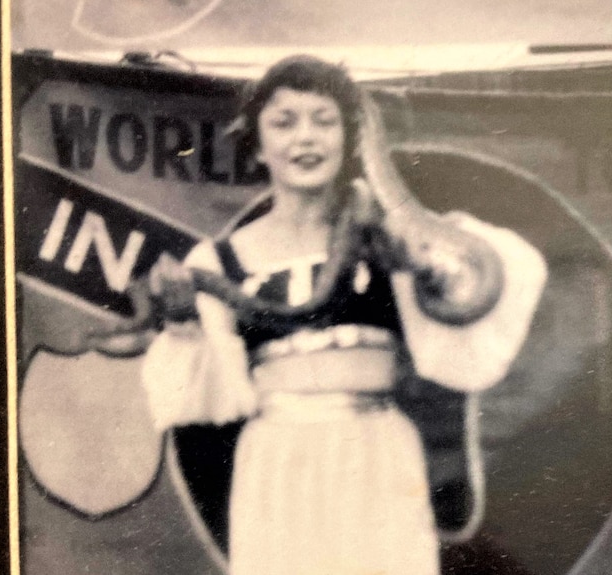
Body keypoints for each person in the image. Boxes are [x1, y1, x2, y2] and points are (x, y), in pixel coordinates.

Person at [141, 54, 546, 575]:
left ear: (350, 138)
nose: (305, 138)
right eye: (284, 123)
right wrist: (180, 322)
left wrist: (418, 249)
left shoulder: (388, 236)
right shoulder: (217, 261)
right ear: (259, 144)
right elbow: (195, 398)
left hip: (376, 452)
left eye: (324, 120)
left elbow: (498, 275)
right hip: (278, 460)